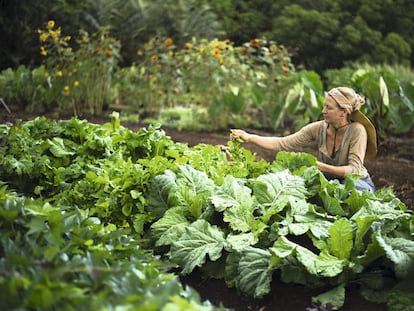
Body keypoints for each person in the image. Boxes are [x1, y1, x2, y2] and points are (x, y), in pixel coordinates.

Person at [230, 86, 377, 192]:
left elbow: (354, 170)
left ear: (344, 112)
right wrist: (248, 137)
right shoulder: (319, 128)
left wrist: (320, 166)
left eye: (329, 108)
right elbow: (282, 143)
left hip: (356, 183)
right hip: (327, 180)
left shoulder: (357, 130)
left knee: (351, 199)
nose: (323, 111)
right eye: (324, 106)